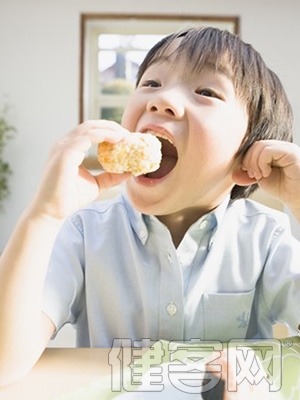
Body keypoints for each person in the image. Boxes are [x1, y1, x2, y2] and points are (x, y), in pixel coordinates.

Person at [0, 26, 299, 397]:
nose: (162, 100)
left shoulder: (265, 237)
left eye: (206, 91)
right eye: (152, 83)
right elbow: (4, 364)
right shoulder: (83, 232)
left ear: (247, 159)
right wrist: (43, 216)